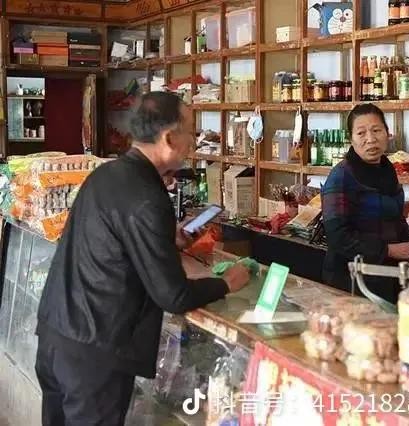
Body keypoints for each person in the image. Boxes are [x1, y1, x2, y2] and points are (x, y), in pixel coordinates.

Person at [35, 92, 251, 426]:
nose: (193, 141)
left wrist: (164, 238)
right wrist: (226, 283)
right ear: (169, 138)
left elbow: (112, 238)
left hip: (56, 334)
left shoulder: (106, 174)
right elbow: (173, 295)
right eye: (190, 132)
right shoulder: (148, 198)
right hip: (94, 353)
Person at [321, 103, 409, 304]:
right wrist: (388, 250)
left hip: (387, 274)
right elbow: (337, 236)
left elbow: (395, 217)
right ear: (351, 139)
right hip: (352, 279)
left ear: (388, 134)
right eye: (361, 133)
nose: (370, 139)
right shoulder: (341, 176)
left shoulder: (387, 169)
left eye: (376, 130)